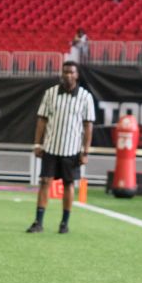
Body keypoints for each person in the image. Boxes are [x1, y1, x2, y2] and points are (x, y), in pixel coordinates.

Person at [26, 62, 95, 235]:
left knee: (69, 184)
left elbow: (88, 126)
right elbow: (42, 120)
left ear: (77, 75)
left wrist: (85, 151)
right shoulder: (50, 93)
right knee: (44, 182)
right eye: (65, 72)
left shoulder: (85, 97)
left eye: (71, 72)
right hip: (51, 146)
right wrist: (37, 143)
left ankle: (64, 223)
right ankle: (38, 222)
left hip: (72, 149)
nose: (68, 75)